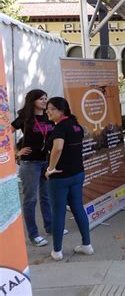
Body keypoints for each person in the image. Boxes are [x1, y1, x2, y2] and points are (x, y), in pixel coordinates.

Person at [44, 97, 93, 261]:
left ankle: (57, 252)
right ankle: (87, 245)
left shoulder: (60, 128)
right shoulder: (76, 125)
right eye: (47, 108)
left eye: (51, 108)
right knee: (78, 207)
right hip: (77, 174)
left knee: (58, 212)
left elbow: (57, 148)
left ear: (61, 110)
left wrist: (50, 169)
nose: (47, 111)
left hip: (60, 177)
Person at [11, 89, 58, 247]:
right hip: (30, 163)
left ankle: (50, 227)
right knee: (30, 199)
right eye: (41, 99)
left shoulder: (49, 116)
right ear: (33, 101)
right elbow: (4, 133)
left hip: (46, 161)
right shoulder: (25, 118)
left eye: (46, 98)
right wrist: (16, 152)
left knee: (46, 196)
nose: (45, 101)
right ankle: (33, 234)